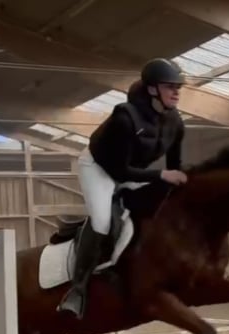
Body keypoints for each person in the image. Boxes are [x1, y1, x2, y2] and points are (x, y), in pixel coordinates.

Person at [57, 58, 189, 319]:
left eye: (178, 87)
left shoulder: (176, 122)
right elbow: (119, 172)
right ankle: (77, 290)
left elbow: (176, 167)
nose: (176, 92)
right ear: (152, 89)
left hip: (133, 170)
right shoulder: (125, 117)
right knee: (103, 222)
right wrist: (162, 175)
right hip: (99, 168)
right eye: (169, 86)